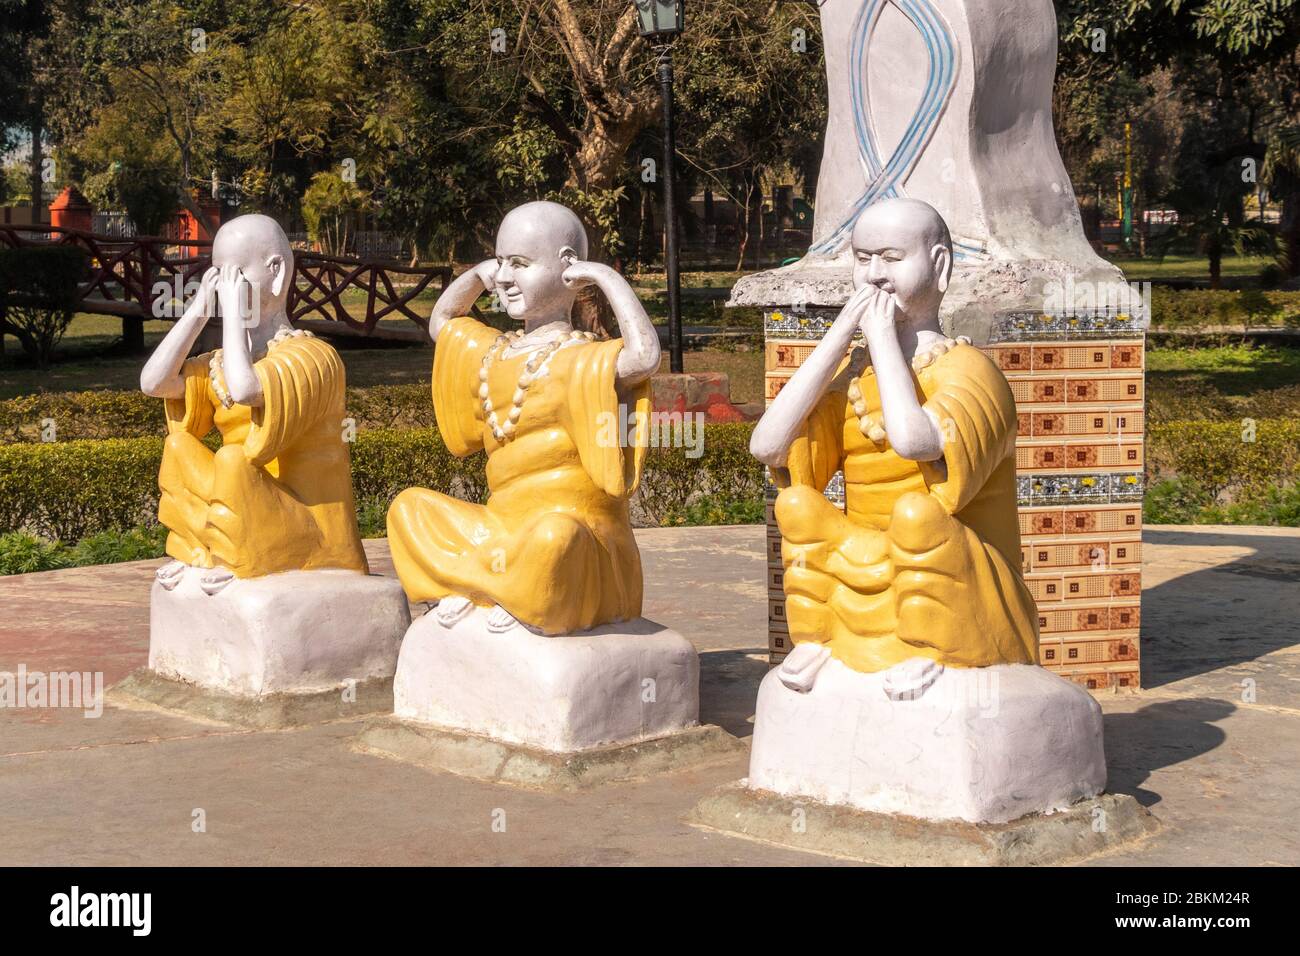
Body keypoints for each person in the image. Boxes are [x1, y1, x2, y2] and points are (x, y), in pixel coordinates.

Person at [749, 198, 1038, 683]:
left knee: (915, 513)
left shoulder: (969, 371)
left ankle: (932, 643)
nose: (875, 275)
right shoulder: (854, 377)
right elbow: (767, 445)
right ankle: (818, 637)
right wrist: (839, 336)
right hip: (862, 551)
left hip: (953, 563)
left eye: (891, 257)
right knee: (797, 504)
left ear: (940, 266)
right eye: (863, 259)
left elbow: (914, 442)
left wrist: (879, 337)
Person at [387, 201, 660, 634]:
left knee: (556, 540)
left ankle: (491, 589)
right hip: (501, 532)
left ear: (568, 267)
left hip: (572, 535)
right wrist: (479, 274)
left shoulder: (584, 359)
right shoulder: (492, 352)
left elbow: (644, 357)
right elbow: (442, 321)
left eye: (520, 263)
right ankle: (504, 590)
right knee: (409, 510)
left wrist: (604, 277)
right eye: (501, 263)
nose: (506, 279)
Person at [139, 215, 366, 593]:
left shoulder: (313, 357)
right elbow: (154, 383)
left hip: (309, 527)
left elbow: (246, 390)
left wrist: (233, 313)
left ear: (276, 272)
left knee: (233, 459)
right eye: (218, 275)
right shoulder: (220, 362)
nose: (226, 285)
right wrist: (198, 311)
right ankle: (205, 550)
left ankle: (238, 553)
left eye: (236, 273)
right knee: (178, 447)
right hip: (242, 505)